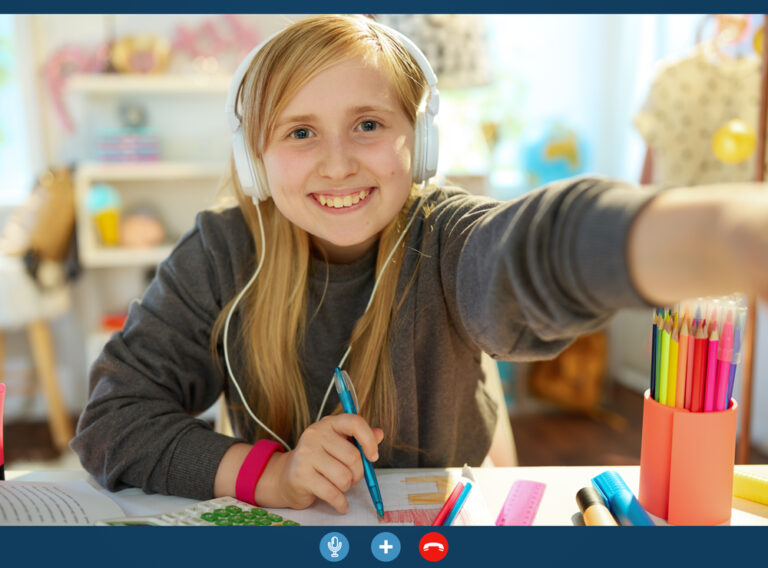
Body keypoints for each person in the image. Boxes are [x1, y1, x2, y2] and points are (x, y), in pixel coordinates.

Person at [72, 14, 768, 515]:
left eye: (369, 124)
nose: (338, 161)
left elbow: (539, 248)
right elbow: (112, 420)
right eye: (300, 131)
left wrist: (727, 237)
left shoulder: (450, 235)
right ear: (256, 156)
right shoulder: (225, 251)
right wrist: (270, 476)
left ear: (421, 143)